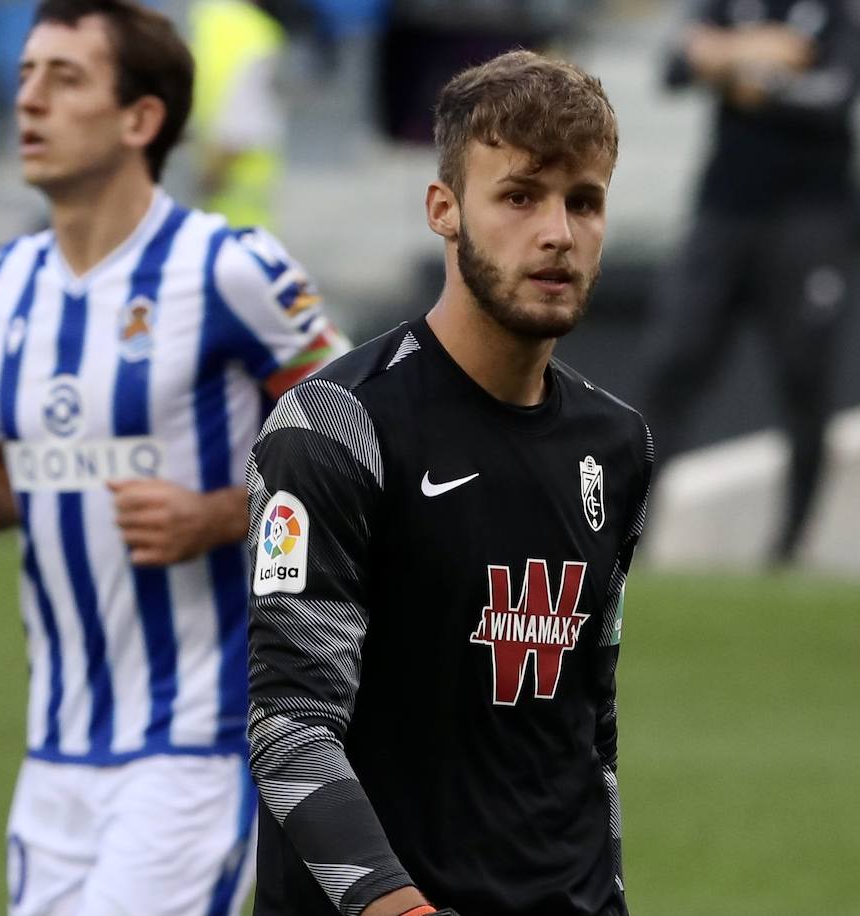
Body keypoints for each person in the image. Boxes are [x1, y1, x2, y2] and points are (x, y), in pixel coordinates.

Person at [0, 2, 347, 913]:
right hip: (55, 753)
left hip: (198, 743)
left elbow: (359, 443)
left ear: (140, 120)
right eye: (25, 77)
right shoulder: (5, 283)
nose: (29, 102)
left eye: (65, 80)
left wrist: (217, 515)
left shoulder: (229, 267)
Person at [246, 51, 653, 916]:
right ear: (445, 211)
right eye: (519, 196)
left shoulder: (616, 445)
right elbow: (290, 731)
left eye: (584, 201)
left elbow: (592, 730)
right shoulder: (337, 428)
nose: (558, 232)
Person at [641, 0, 860, 564]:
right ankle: (632, 534)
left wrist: (733, 67)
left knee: (804, 378)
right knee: (672, 363)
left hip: (810, 219)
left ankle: (789, 549)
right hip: (723, 213)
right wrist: (757, 51)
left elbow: (835, 96)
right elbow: (673, 68)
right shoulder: (729, 3)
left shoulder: (846, 12)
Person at [189, 0, 288, 227]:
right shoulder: (255, 33)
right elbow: (240, 126)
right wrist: (211, 177)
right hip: (230, 199)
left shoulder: (198, 20)